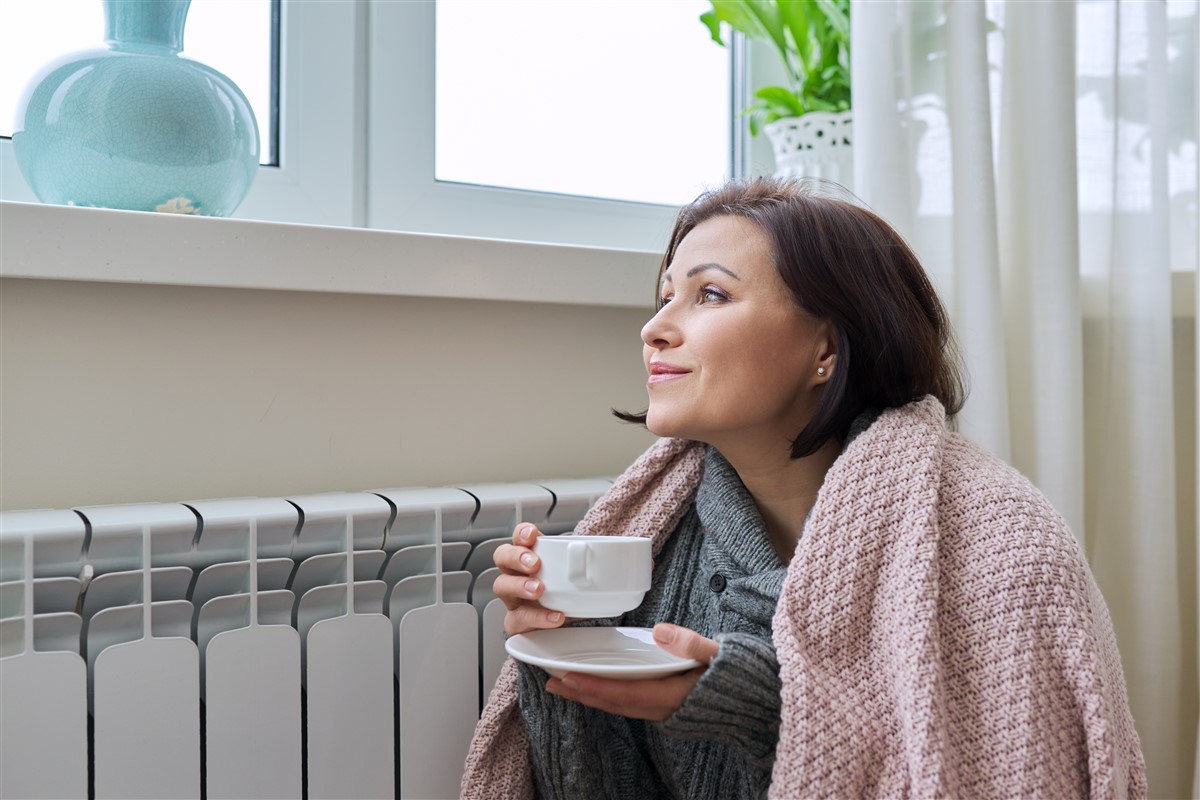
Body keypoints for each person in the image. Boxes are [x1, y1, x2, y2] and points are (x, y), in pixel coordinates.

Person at [461, 177, 1146, 799]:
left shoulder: (1000, 549)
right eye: (666, 295)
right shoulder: (659, 544)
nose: (654, 328)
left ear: (827, 348)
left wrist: (758, 701)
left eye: (710, 294)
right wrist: (563, 655)